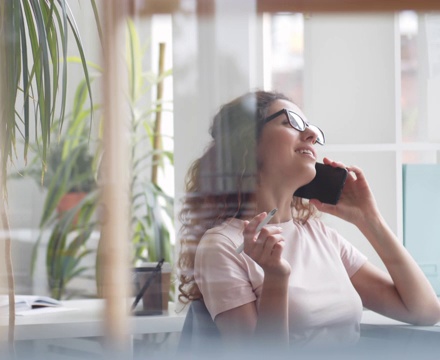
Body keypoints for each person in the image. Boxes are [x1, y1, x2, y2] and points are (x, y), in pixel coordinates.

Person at [177, 90, 440, 350]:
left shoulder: (320, 236)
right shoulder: (222, 246)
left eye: (312, 128)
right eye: (291, 122)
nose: (312, 135)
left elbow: (425, 310)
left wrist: (369, 220)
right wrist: (276, 278)